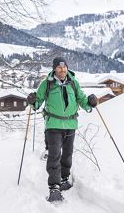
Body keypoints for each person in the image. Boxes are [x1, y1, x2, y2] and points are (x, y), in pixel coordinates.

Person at [27, 57, 98, 202]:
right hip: (53, 125)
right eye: (59, 68)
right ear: (54, 69)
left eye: (64, 67)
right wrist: (33, 101)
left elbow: (82, 100)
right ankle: (54, 187)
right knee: (54, 155)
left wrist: (90, 103)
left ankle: (64, 179)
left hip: (71, 124)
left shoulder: (73, 83)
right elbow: (38, 102)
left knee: (67, 154)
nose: (62, 70)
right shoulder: (46, 84)